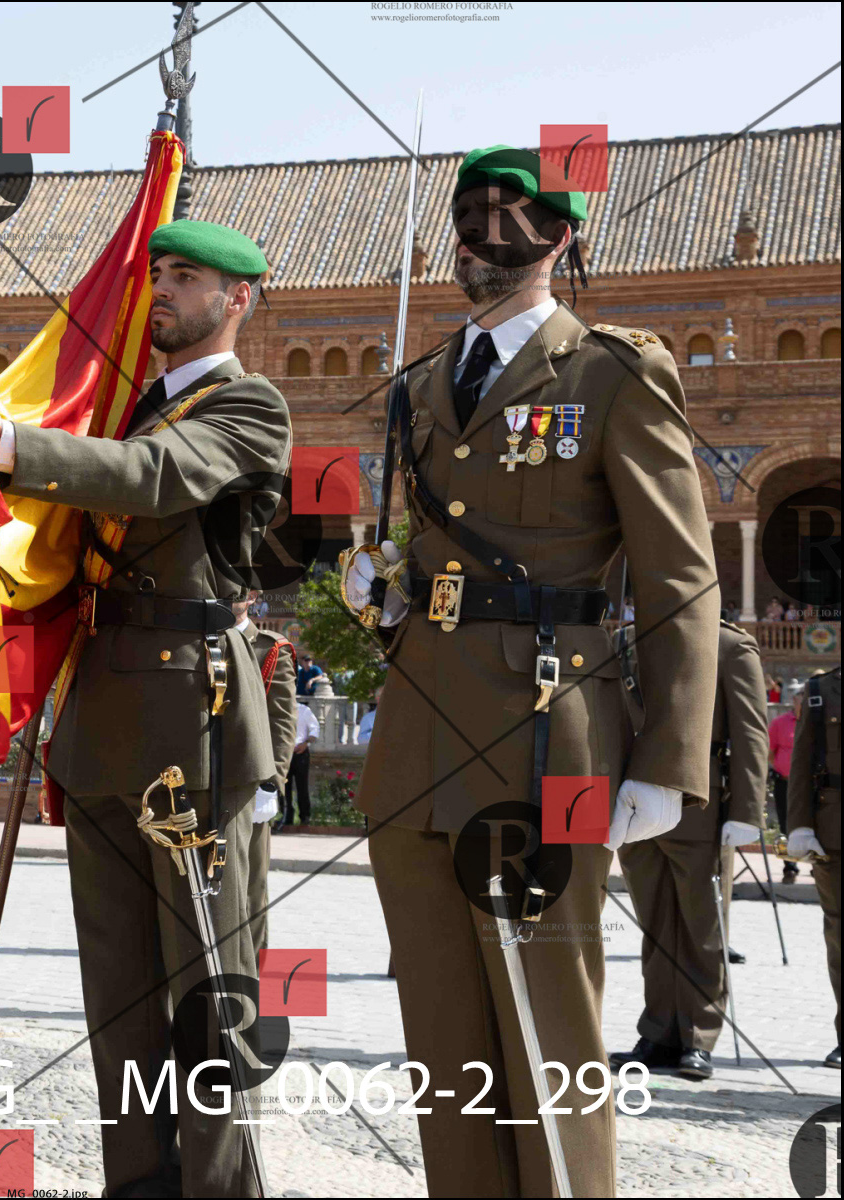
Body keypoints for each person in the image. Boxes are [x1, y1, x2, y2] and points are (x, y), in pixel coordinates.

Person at [341, 146, 718, 1197]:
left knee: (547, 1018)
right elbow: (431, 556)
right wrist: (384, 594)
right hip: (417, 734)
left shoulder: (611, 370)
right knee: (444, 1031)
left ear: (560, 238)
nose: (480, 237)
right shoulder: (422, 382)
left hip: (551, 733)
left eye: (507, 218)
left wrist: (668, 759)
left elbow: (680, 574)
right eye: (468, 218)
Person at [0, 218, 288, 1195]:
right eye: (157, 274)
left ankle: (219, 1188)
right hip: (103, 718)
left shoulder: (248, 406)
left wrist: (11, 448)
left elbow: (157, 480)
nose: (162, 290)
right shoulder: (122, 408)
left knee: (206, 989)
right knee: (118, 998)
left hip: (190, 726)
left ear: (236, 299)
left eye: (186, 277)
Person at [613, 620, 765, 1080]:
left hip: (697, 803)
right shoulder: (623, 639)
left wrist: (746, 809)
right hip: (631, 803)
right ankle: (658, 1033)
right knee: (656, 925)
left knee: (703, 928)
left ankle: (698, 1037)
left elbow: (749, 729)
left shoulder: (728, 643)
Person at [233, 589, 297, 956]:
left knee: (250, 886)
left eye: (240, 587)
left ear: (253, 596)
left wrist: (271, 784)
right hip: (201, 780)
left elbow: (282, 723)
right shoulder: (196, 640)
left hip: (250, 785)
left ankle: (252, 970)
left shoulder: (270, 649)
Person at [787, 666, 841, 1069]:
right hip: (834, 830)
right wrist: (799, 825)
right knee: (840, 936)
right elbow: (802, 761)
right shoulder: (822, 689)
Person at [770, 688, 802, 884]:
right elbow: (770, 751)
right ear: (794, 700)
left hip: (809, 785)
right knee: (785, 825)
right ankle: (790, 868)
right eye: (800, 698)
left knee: (816, 825)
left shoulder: (816, 722)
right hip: (785, 782)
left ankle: (818, 868)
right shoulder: (780, 722)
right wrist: (783, 768)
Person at [281, 699, 319, 826]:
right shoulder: (280, 708)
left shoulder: (304, 710)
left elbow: (315, 729)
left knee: (302, 786)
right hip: (284, 753)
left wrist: (306, 743)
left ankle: (305, 816)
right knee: (284, 786)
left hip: (300, 751)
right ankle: (286, 817)